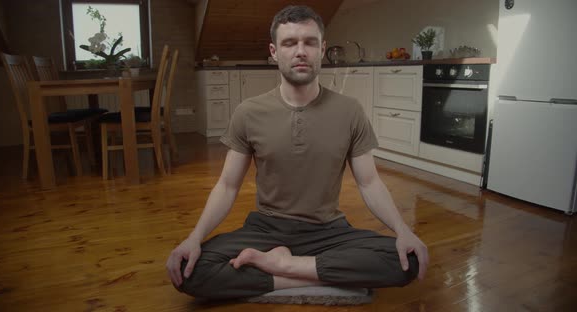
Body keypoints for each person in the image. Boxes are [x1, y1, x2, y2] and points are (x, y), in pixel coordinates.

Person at [166, 5, 428, 300]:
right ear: (274, 52)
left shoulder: (350, 111)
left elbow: (369, 183)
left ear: (322, 49)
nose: (300, 51)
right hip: (266, 230)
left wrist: (403, 229)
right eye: (290, 43)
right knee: (190, 269)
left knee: (409, 260)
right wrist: (194, 237)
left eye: (310, 42)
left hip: (328, 230)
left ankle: (285, 266)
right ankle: (314, 274)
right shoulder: (249, 112)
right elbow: (227, 186)